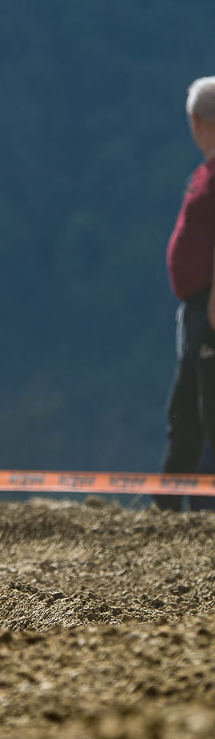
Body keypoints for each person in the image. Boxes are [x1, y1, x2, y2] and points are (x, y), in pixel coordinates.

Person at [156, 76, 215, 511]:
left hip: (210, 309)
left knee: (209, 414)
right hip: (196, 309)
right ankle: (166, 511)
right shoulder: (206, 171)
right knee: (186, 414)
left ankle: (202, 512)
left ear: (196, 120)